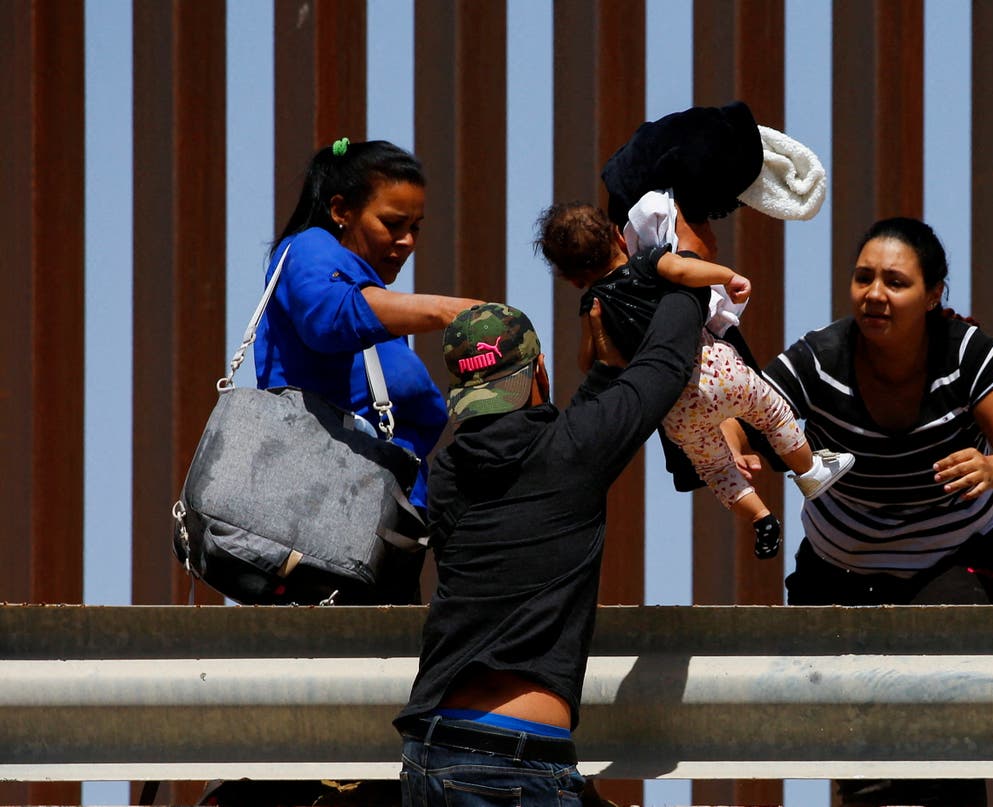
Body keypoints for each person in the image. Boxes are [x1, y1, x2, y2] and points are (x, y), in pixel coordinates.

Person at [752, 216, 993, 807]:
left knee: (943, 752)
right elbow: (740, 420)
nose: (875, 295)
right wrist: (735, 452)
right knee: (864, 770)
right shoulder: (818, 360)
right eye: (863, 278)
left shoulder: (969, 354)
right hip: (836, 575)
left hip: (953, 565)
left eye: (895, 282)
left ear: (934, 294)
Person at [395, 286, 709, 803]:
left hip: (431, 750)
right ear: (539, 371)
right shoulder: (573, 453)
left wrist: (605, 374)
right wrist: (673, 274)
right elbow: (665, 363)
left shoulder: (448, 474)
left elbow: (551, 454)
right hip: (515, 766)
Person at [535, 201, 853, 561]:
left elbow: (591, 360)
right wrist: (727, 276)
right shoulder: (647, 262)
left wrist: (598, 331)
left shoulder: (594, 304)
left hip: (675, 409)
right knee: (774, 415)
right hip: (715, 370)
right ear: (618, 238)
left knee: (716, 469)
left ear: (573, 279)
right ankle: (809, 469)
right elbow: (685, 271)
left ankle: (761, 517)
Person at [254, 138, 481, 604]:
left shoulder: (363, 289)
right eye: (393, 224)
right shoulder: (310, 248)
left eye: (416, 227)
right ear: (341, 210)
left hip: (365, 528)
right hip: (322, 525)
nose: (407, 242)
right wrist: (447, 311)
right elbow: (328, 315)